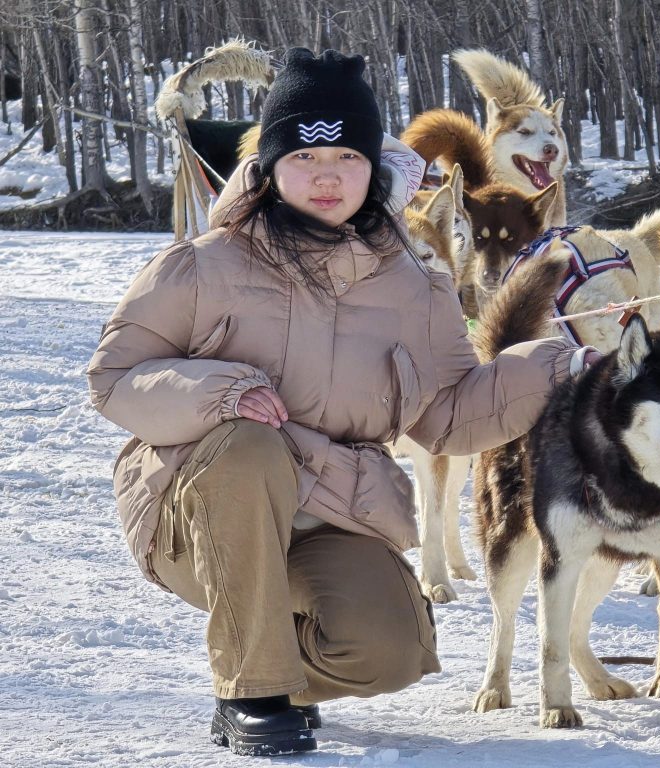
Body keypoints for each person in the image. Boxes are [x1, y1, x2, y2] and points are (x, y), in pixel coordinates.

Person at [87, 48, 596, 757]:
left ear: (375, 168)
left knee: (387, 651)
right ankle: (252, 692)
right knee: (248, 442)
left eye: (347, 159)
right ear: (268, 169)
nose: (327, 177)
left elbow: (448, 412)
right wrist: (222, 391)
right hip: (196, 509)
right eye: (304, 158)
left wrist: (558, 366)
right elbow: (115, 377)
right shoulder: (202, 264)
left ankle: (262, 656)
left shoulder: (415, 287)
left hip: (330, 508)